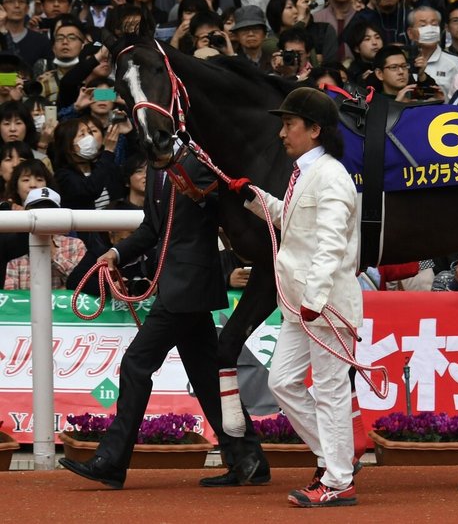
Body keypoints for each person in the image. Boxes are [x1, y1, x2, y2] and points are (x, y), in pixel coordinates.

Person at [60, 148, 269, 490]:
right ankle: (249, 458)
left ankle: (112, 460)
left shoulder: (202, 163)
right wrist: (114, 254)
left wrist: (205, 201)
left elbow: (222, 216)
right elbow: (152, 230)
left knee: (136, 363)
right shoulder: (158, 170)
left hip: (188, 285)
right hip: (181, 286)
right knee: (205, 376)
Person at [236, 87, 361, 507]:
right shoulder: (306, 173)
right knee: (282, 383)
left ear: (314, 130)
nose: (282, 133)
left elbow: (331, 244)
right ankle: (334, 461)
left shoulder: (332, 177)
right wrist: (254, 199)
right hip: (300, 307)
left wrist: (315, 296)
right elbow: (290, 221)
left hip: (324, 306)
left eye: (289, 124)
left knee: (329, 391)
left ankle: (339, 480)